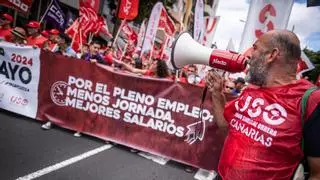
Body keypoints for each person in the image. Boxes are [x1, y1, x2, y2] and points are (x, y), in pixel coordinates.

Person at [206, 30, 320, 179]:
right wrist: (216, 94)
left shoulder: (311, 99)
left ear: (272, 55)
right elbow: (226, 128)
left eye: (255, 48)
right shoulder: (251, 90)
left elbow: (317, 173)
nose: (249, 55)